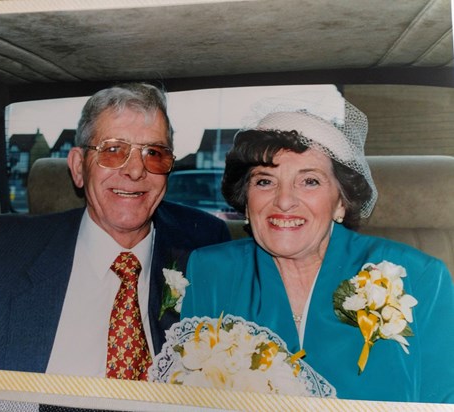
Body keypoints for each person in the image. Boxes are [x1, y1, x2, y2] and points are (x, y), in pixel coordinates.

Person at [0, 83, 231, 379]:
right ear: (79, 168)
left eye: (153, 153)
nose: (135, 170)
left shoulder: (205, 247)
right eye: (113, 150)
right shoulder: (1, 251)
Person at [181, 100, 454, 402]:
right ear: (246, 199)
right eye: (265, 181)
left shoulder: (418, 275)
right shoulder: (211, 270)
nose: (284, 201)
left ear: (340, 202)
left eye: (309, 181)